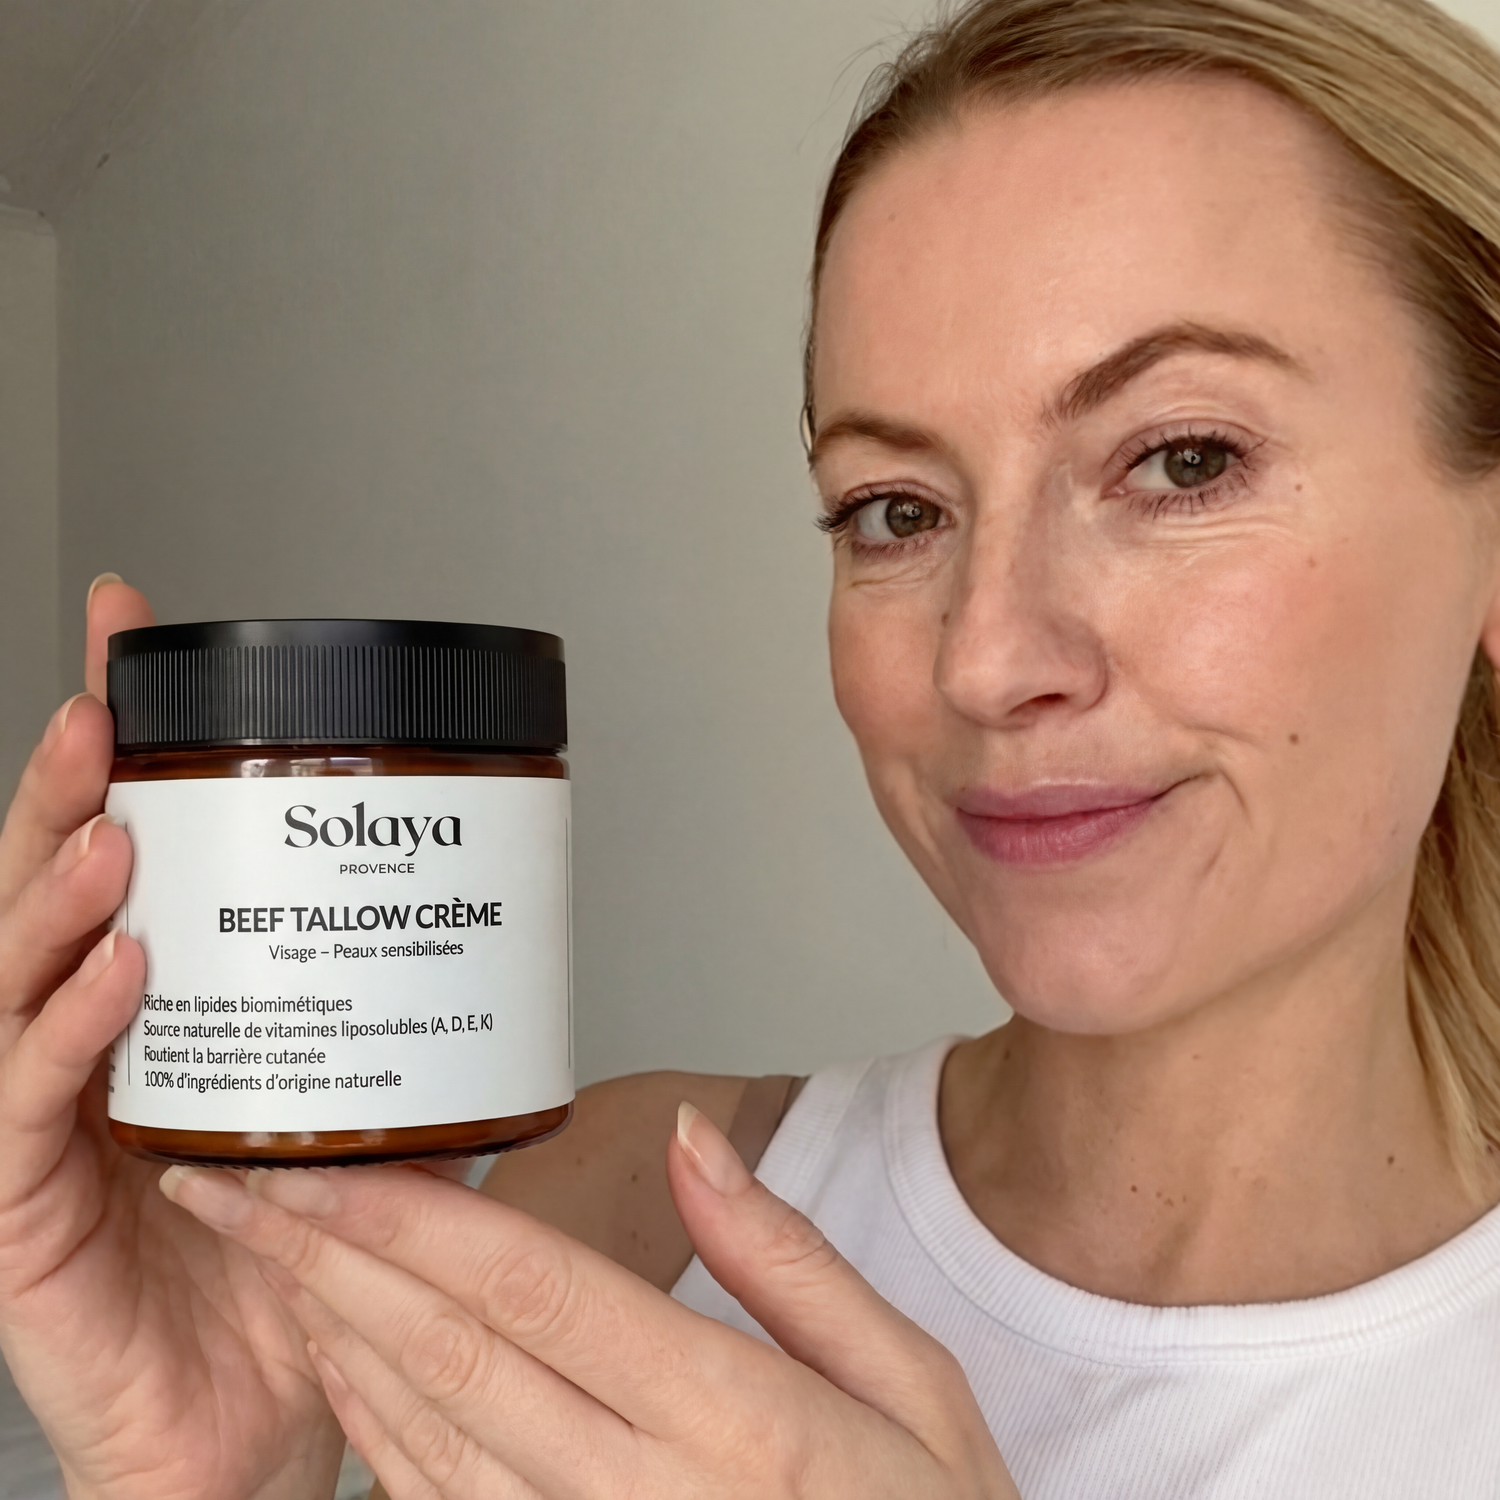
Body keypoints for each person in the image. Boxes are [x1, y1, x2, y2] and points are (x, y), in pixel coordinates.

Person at [5, 0, 1500, 1493]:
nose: (984, 661)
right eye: (897, 511)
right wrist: (218, 1478)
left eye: (1183, 461)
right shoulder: (620, 1216)